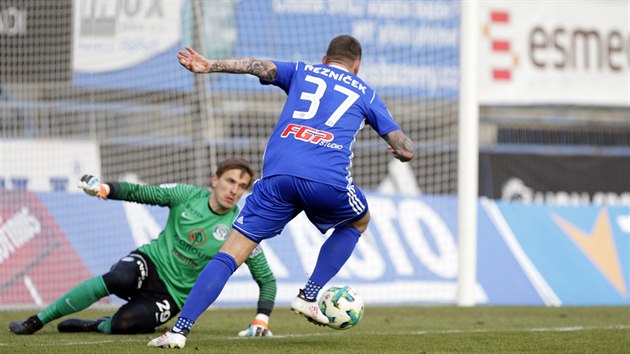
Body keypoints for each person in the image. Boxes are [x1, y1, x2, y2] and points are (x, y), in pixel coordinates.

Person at [148, 35, 415, 349]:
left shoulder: (303, 70)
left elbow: (257, 66)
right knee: (358, 221)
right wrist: (403, 151)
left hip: (277, 177)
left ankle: (179, 331)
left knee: (229, 254)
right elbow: (403, 144)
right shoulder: (365, 92)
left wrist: (210, 65)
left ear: (324, 57)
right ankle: (309, 294)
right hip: (325, 180)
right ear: (357, 65)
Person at [9, 158, 277, 337]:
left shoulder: (242, 228)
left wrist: (261, 320)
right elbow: (141, 193)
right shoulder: (186, 196)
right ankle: (37, 320)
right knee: (118, 278)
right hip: (150, 264)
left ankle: (99, 324)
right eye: (230, 181)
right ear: (214, 179)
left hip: (172, 297)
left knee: (126, 324)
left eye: (241, 186)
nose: (234, 190)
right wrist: (102, 189)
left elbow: (266, 280)